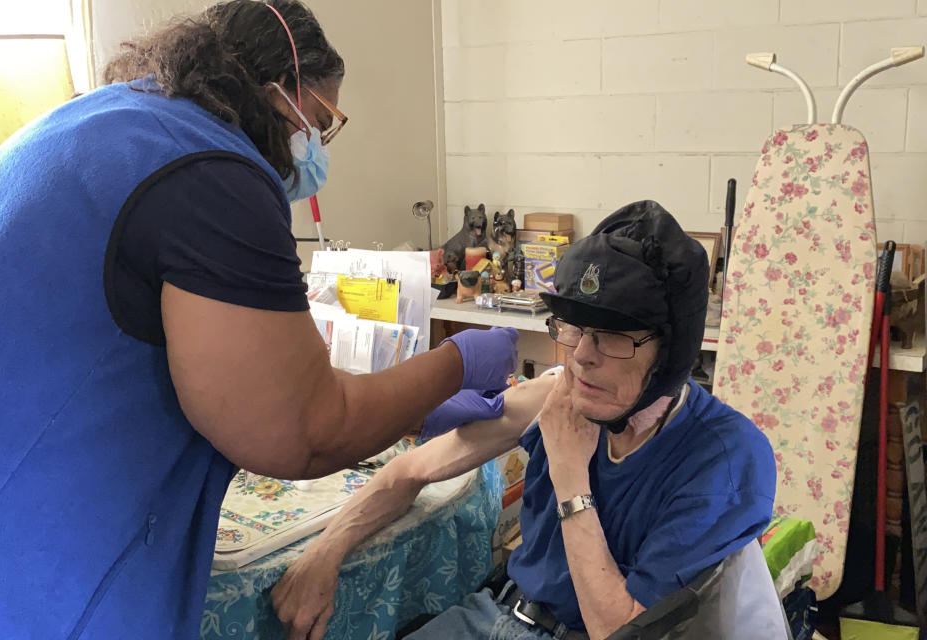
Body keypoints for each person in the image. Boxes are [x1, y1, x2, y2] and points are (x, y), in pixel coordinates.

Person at [0, 1, 516, 638]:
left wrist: (411, 408)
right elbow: (303, 430)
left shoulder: (111, 122)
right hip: (26, 554)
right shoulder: (213, 176)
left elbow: (255, 367)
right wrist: (455, 363)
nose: (314, 146)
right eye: (319, 121)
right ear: (277, 92)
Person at [272, 201, 778, 640]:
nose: (582, 356)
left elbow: (618, 630)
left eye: (615, 337)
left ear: (671, 352)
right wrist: (327, 550)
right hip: (501, 614)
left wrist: (569, 473)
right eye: (574, 328)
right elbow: (410, 471)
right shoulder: (561, 397)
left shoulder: (725, 458)